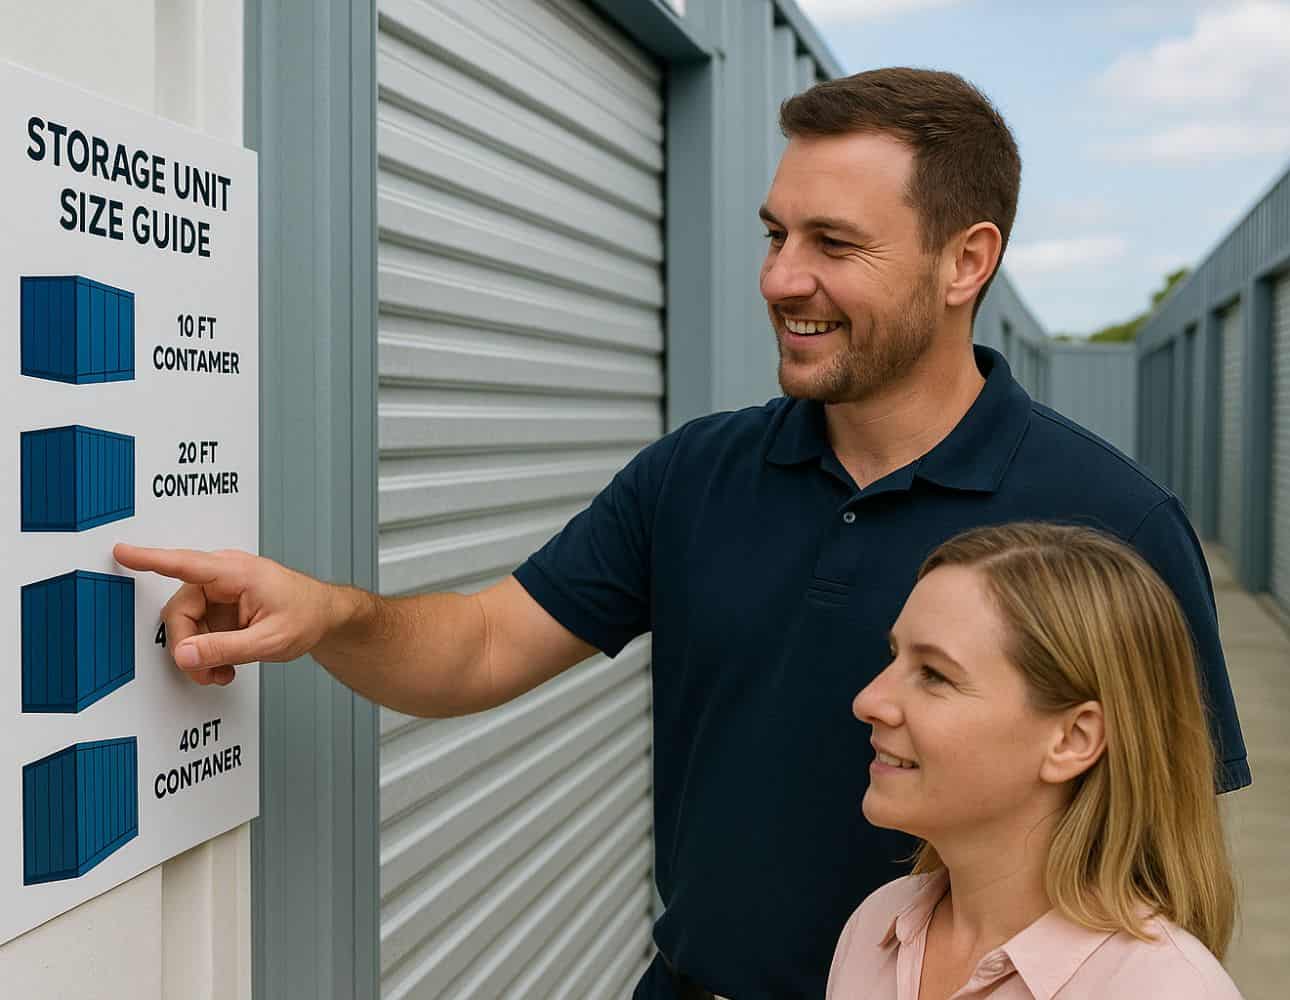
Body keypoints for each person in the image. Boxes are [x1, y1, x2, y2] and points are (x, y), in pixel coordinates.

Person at [113, 68, 1249, 998]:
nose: (779, 277)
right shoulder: (698, 472)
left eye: (833, 244)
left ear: (967, 261)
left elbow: (1165, 865)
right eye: (774, 233)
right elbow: (478, 646)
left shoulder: (1110, 519)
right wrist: (324, 614)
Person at [830, 522, 1242, 999]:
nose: (869, 699)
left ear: (1072, 739)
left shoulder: (1162, 989)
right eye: (894, 656)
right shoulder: (878, 927)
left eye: (934, 675)